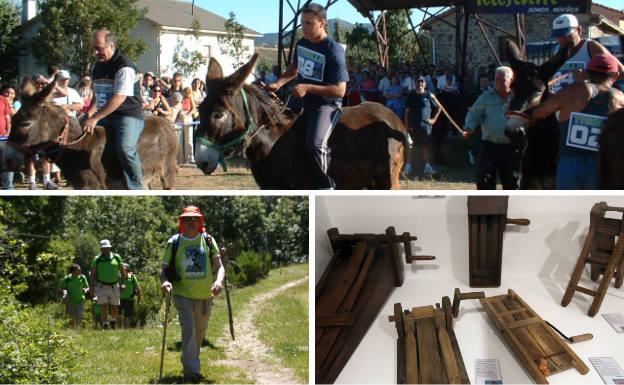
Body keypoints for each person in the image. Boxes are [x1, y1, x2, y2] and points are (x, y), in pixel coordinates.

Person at [266, 3, 348, 189]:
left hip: (327, 105)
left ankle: (326, 186)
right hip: (303, 103)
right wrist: (278, 84)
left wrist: (308, 88)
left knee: (315, 144)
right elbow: (295, 68)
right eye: (302, 23)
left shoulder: (333, 50)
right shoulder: (302, 43)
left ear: (322, 23)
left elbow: (340, 90)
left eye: (309, 23)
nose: (304, 28)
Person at [531, 53, 624, 189]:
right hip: (601, 166)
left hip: (569, 164)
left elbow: (537, 113)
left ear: (587, 72)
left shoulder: (572, 91)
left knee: (568, 208)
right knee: (596, 207)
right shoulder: (620, 98)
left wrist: (578, 83)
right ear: (615, 75)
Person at [160, 206, 225, 383]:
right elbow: (164, 269)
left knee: (199, 332)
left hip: (205, 295)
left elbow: (219, 267)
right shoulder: (174, 242)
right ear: (182, 221)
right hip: (183, 294)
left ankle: (192, 363)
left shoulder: (209, 241)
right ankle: (191, 371)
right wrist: (165, 282)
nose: (191, 222)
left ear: (200, 221)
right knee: (189, 330)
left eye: (195, 219)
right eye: (187, 219)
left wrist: (218, 282)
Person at [84, 29, 145, 189]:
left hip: (127, 115)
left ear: (112, 45)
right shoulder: (97, 66)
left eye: (99, 48)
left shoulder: (124, 65)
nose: (96, 52)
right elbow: (99, 96)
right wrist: (88, 114)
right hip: (105, 114)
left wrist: (95, 118)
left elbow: (119, 97)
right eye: (94, 48)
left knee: (125, 149)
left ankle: (137, 186)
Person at [463, 66, 521, 190]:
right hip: (489, 145)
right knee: (483, 179)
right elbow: (473, 114)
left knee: (512, 183)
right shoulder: (485, 97)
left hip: (511, 147)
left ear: (511, 81)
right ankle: (488, 207)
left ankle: (512, 208)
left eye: (502, 80)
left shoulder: (518, 99)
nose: (498, 83)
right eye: (496, 79)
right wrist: (469, 127)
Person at [550, 14, 624, 93]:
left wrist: (590, 78)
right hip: (559, 102)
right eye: (559, 35)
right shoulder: (555, 50)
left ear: (579, 30)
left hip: (585, 102)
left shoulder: (591, 47)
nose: (562, 39)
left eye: (566, 35)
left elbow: (621, 72)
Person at [404, 75, 441, 178]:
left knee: (425, 146)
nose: (419, 83)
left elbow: (439, 107)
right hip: (412, 126)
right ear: (415, 83)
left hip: (425, 126)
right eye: (417, 81)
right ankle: (408, 166)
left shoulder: (429, 95)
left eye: (421, 81)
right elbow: (406, 113)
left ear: (425, 83)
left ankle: (427, 167)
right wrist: (406, 126)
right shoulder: (411, 95)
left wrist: (434, 119)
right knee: (410, 146)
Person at [89, 239, 126, 330]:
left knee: (114, 306)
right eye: (103, 248)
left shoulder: (116, 257)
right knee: (104, 305)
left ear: (110, 248)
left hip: (114, 286)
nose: (105, 250)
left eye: (107, 248)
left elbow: (122, 271)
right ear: (101, 249)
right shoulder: (97, 259)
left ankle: (113, 321)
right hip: (101, 286)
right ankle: (105, 324)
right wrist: (91, 287)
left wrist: (123, 283)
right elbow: (92, 273)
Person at [59, 264, 90, 329]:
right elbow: (61, 288)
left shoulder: (82, 277)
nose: (80, 272)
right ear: (73, 271)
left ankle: (78, 328)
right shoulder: (67, 278)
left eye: (80, 270)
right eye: (78, 270)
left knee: (79, 315)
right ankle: (72, 329)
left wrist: (85, 290)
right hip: (70, 300)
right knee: (71, 315)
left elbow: (87, 287)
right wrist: (64, 291)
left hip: (80, 299)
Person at [119, 263, 141, 328]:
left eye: (124, 270)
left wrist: (139, 300)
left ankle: (126, 329)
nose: (123, 271)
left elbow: (138, 289)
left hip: (129, 300)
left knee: (127, 316)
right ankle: (118, 329)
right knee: (118, 315)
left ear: (128, 270)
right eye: (122, 270)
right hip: (118, 299)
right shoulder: (117, 277)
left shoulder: (132, 277)